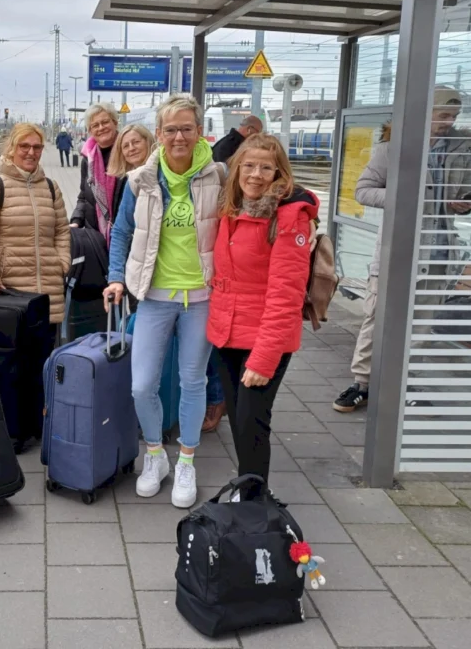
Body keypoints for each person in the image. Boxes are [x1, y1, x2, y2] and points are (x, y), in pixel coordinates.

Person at [104, 93, 223, 509]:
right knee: (141, 385)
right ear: (158, 134)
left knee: (193, 381)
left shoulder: (218, 176)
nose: (178, 136)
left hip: (201, 297)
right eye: (170, 129)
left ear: (198, 132)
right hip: (153, 296)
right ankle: (155, 455)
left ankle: (186, 460)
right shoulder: (141, 181)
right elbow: (120, 234)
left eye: (186, 128)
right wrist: (116, 278)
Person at [334, 85, 471, 413]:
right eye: (443, 115)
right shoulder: (392, 149)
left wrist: (462, 204)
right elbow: (363, 191)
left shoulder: (460, 150)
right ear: (424, 112)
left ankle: (402, 384)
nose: (448, 121)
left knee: (421, 321)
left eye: (453, 116)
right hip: (397, 250)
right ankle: (362, 384)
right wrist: (401, 197)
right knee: (377, 316)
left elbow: (463, 192)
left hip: (439, 249)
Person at [208, 134, 319, 480]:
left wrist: (263, 358)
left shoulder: (288, 218)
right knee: (240, 418)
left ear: (279, 173)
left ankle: (254, 500)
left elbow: (287, 295)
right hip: (226, 334)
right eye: (249, 165)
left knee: (252, 421)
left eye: (266, 168)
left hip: (263, 337)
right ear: (237, 167)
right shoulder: (231, 207)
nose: (256, 174)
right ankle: (248, 487)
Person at [0, 122, 72, 351]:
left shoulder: (51, 187)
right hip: (11, 292)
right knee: (13, 367)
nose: (31, 152)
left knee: (44, 364)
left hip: (48, 292)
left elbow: (62, 231)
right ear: (12, 148)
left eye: (37, 147)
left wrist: (62, 263)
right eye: (24, 146)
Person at [71, 102, 120, 244]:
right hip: (95, 237)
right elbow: (84, 196)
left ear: (115, 123)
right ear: (90, 131)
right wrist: (76, 220)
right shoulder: (88, 159)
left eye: (105, 122)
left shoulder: (127, 152)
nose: (101, 128)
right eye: (95, 125)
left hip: (124, 237)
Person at [108, 123, 156, 226]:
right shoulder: (126, 180)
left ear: (148, 141)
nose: (131, 148)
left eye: (136, 142)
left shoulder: (161, 172)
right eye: (126, 146)